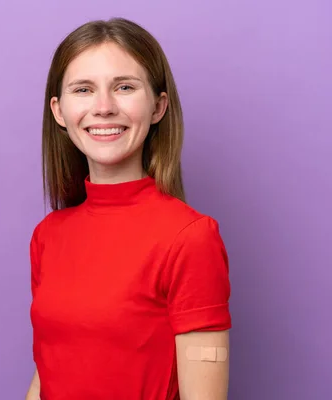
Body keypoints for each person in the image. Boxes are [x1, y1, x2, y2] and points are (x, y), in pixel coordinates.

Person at [26, 17, 232, 400]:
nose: (103, 107)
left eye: (124, 87)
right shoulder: (48, 236)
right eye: (83, 89)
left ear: (158, 106)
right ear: (59, 111)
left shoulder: (190, 238)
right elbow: (49, 374)